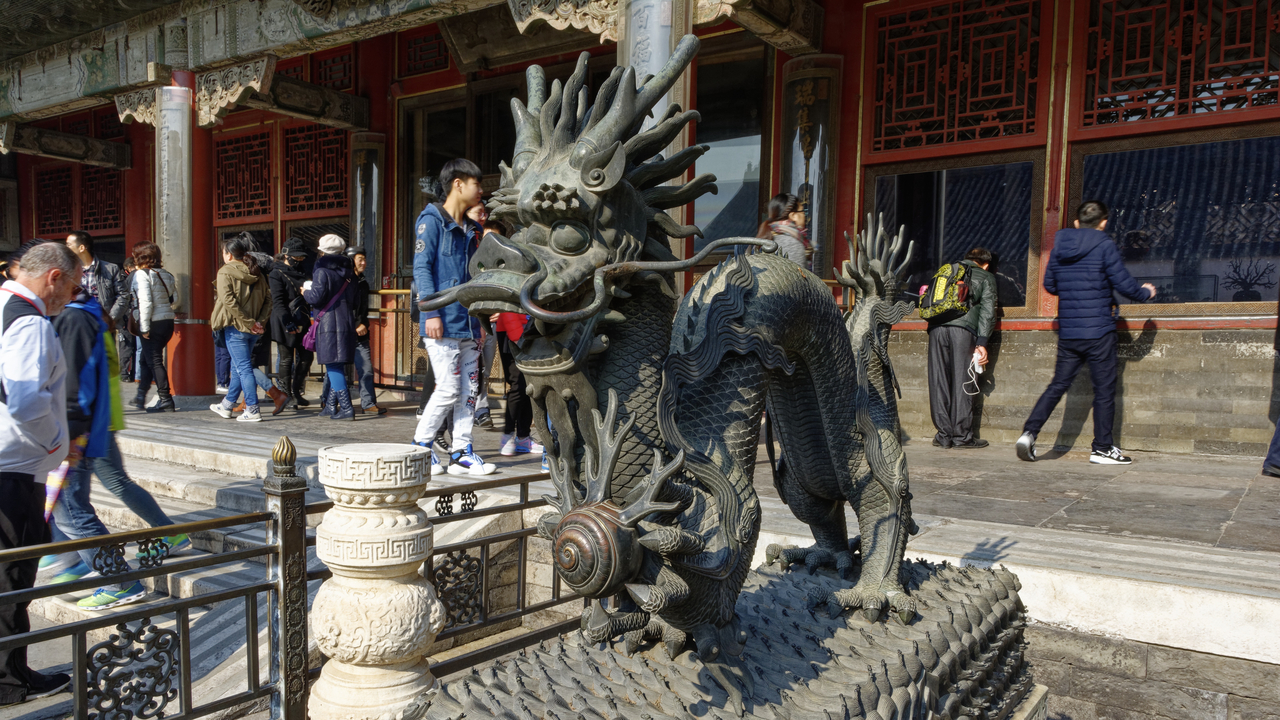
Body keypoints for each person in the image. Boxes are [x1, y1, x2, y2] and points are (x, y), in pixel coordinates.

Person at [1017, 201, 1157, 465]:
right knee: (1104, 391)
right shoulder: (1104, 245)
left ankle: (1029, 433)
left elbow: (1050, 285)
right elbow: (1124, 285)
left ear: (1077, 222)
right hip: (1099, 330)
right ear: (1103, 222)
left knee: (1058, 385)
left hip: (1069, 331)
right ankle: (1102, 449)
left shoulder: (1059, 247)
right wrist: (1145, 293)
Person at [0, 241, 79, 705]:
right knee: (12, 579)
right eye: (72, 286)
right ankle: (10, 681)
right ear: (54, 277)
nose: (71, 296)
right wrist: (55, 443)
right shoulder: (30, 323)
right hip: (14, 467)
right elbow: (27, 402)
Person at [45, 287, 149, 610]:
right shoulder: (79, 315)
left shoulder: (74, 319)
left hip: (73, 434)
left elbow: (75, 384)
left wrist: (69, 434)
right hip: (77, 430)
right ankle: (85, 566)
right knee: (69, 511)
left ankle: (121, 580)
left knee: (73, 512)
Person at [412, 159, 496, 476]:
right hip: (442, 321)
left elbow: (478, 278)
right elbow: (422, 268)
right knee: (448, 388)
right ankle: (421, 447)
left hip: (470, 324)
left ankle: (461, 452)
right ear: (458, 184)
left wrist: (482, 319)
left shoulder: (474, 230)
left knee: (469, 392)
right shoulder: (431, 220)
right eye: (476, 183)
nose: (481, 190)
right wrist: (431, 311)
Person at [926, 248, 997, 449]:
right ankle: (962, 436)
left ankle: (943, 436)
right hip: (963, 332)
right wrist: (982, 343)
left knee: (938, 381)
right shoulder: (986, 276)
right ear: (986, 264)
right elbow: (988, 311)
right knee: (963, 380)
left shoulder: (947, 271)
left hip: (936, 329)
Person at [209, 234, 277, 422]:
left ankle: (252, 409)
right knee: (238, 366)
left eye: (223, 252)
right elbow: (269, 300)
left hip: (235, 327)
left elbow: (228, 301)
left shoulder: (225, 271)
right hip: (253, 329)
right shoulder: (256, 272)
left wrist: (249, 322)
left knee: (243, 368)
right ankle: (227, 405)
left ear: (229, 254)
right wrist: (259, 322)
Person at [303, 234, 358, 420]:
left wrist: (305, 292)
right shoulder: (349, 273)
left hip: (329, 324)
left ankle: (347, 408)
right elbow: (354, 300)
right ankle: (330, 405)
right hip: (346, 322)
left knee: (333, 365)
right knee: (336, 365)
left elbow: (315, 297)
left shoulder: (322, 271)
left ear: (322, 251)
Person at [130, 242, 179, 413]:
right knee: (146, 359)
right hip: (167, 322)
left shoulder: (141, 275)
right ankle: (141, 395)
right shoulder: (166, 274)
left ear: (140, 256)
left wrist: (144, 328)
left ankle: (165, 399)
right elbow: (175, 298)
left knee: (155, 361)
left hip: (152, 322)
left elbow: (145, 302)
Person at [270, 239, 313, 409]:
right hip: (284, 319)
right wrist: (287, 321)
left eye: (301, 257)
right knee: (286, 359)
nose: (299, 260)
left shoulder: (303, 271)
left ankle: (296, 391)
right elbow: (278, 301)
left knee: (307, 357)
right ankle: (285, 395)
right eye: (296, 257)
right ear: (286, 255)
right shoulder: (276, 273)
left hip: (302, 317)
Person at [467, 202, 497, 429]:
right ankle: (472, 410)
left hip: (492, 318)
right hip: (470, 320)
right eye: (478, 212)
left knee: (484, 367)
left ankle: (481, 409)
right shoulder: (465, 246)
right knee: (471, 368)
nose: (482, 217)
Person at [345, 247, 386, 415]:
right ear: (351, 260)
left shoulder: (363, 282)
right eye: (359, 259)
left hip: (361, 333)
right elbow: (344, 307)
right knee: (337, 369)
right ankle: (328, 401)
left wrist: (363, 324)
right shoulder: (344, 281)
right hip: (344, 332)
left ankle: (368, 404)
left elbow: (362, 309)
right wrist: (356, 324)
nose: (363, 263)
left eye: (364, 259)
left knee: (367, 369)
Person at [756, 193, 809, 268]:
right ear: (793, 216)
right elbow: (798, 274)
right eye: (802, 211)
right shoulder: (791, 244)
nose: (804, 215)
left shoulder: (766, 236)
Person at [117, 257, 137, 383]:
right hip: (128, 317)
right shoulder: (126, 279)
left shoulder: (122, 279)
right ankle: (125, 374)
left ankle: (127, 374)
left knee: (128, 346)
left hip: (126, 317)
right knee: (128, 346)